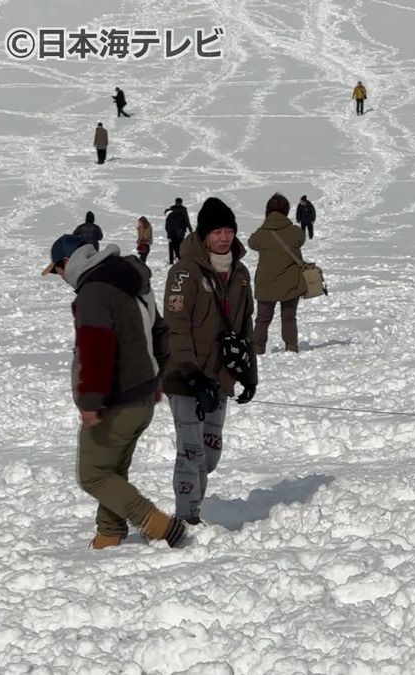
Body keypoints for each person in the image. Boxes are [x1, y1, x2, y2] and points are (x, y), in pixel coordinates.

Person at [42, 234, 187, 549]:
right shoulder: (129, 279)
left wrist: (91, 400)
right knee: (113, 470)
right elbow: (161, 332)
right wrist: (155, 376)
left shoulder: (93, 293)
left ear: (67, 263)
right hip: (143, 398)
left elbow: (96, 350)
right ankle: (108, 533)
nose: (61, 279)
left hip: (116, 402)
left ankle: (158, 524)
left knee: (92, 474)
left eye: (57, 271)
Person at [163, 197, 257, 526]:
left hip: (221, 378)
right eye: (217, 231)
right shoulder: (184, 272)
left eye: (229, 230)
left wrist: (249, 373)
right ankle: (187, 518)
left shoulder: (241, 273)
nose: (224, 238)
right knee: (191, 452)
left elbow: (246, 324)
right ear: (204, 235)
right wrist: (191, 375)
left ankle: (195, 507)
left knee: (210, 454)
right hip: (186, 379)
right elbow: (176, 328)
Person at [249, 193, 307, 354]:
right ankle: (291, 346)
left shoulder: (262, 233)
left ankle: (258, 348)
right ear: (287, 211)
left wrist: (265, 224)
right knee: (289, 318)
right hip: (290, 283)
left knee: (262, 320)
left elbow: (252, 242)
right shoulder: (294, 232)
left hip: (266, 284)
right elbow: (302, 239)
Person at [164, 198, 192, 264]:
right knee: (180, 247)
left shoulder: (171, 211)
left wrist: (168, 232)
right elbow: (187, 221)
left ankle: (171, 261)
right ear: (181, 202)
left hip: (171, 233)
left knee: (171, 246)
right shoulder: (183, 211)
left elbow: (167, 224)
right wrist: (190, 230)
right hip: (180, 232)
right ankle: (179, 258)